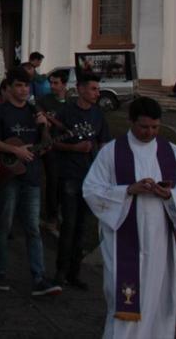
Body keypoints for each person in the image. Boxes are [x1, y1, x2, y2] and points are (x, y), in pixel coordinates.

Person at [84, 97, 176, 339]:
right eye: (144, 127)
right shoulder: (111, 152)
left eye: (155, 127)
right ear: (131, 121)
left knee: (158, 301)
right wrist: (127, 190)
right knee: (125, 301)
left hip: (160, 241)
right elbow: (91, 190)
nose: (150, 132)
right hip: (123, 243)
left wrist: (170, 195)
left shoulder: (172, 152)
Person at [0, 69, 62, 297]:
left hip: (31, 177)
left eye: (26, 86)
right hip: (8, 175)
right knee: (4, 226)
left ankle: (39, 278)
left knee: (33, 229)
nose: (23, 90)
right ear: (9, 87)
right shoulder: (0, 112)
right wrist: (14, 150)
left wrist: (44, 126)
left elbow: (47, 145)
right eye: (18, 85)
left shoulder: (34, 111)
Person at [51, 72, 112, 290]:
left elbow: (104, 143)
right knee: (68, 224)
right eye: (93, 89)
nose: (97, 93)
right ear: (81, 89)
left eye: (97, 89)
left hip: (91, 178)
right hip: (69, 175)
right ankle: (60, 272)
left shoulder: (97, 115)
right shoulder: (66, 112)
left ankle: (74, 273)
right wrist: (74, 148)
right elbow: (53, 143)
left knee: (82, 227)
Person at [37, 69, 70, 236]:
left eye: (56, 83)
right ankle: (51, 218)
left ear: (64, 84)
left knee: (66, 183)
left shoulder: (71, 103)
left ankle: (62, 214)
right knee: (53, 182)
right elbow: (40, 123)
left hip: (69, 150)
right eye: (51, 82)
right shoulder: (44, 101)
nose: (52, 86)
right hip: (51, 149)